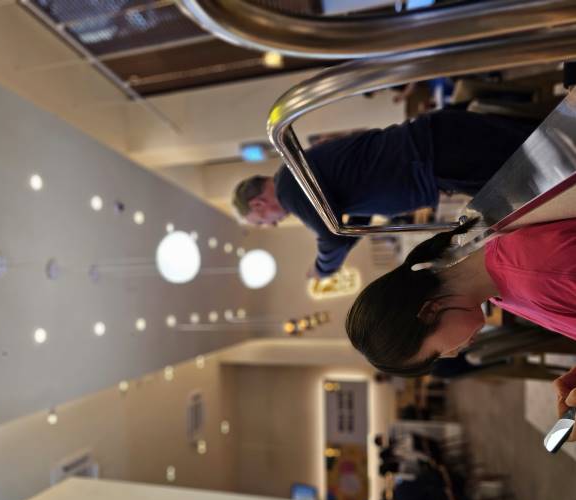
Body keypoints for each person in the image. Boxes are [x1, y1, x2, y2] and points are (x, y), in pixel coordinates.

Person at [345, 217, 576, 440]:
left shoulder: (537, 273)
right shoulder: (501, 290)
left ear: (430, 311)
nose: (452, 354)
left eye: (438, 353)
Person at [232, 109, 534, 278]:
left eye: (263, 222)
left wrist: (320, 270)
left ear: (258, 204)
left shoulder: (289, 187)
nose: (273, 224)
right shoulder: (295, 174)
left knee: (535, 170)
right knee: (533, 159)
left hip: (436, 154)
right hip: (435, 153)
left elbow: (331, 239)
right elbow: (350, 226)